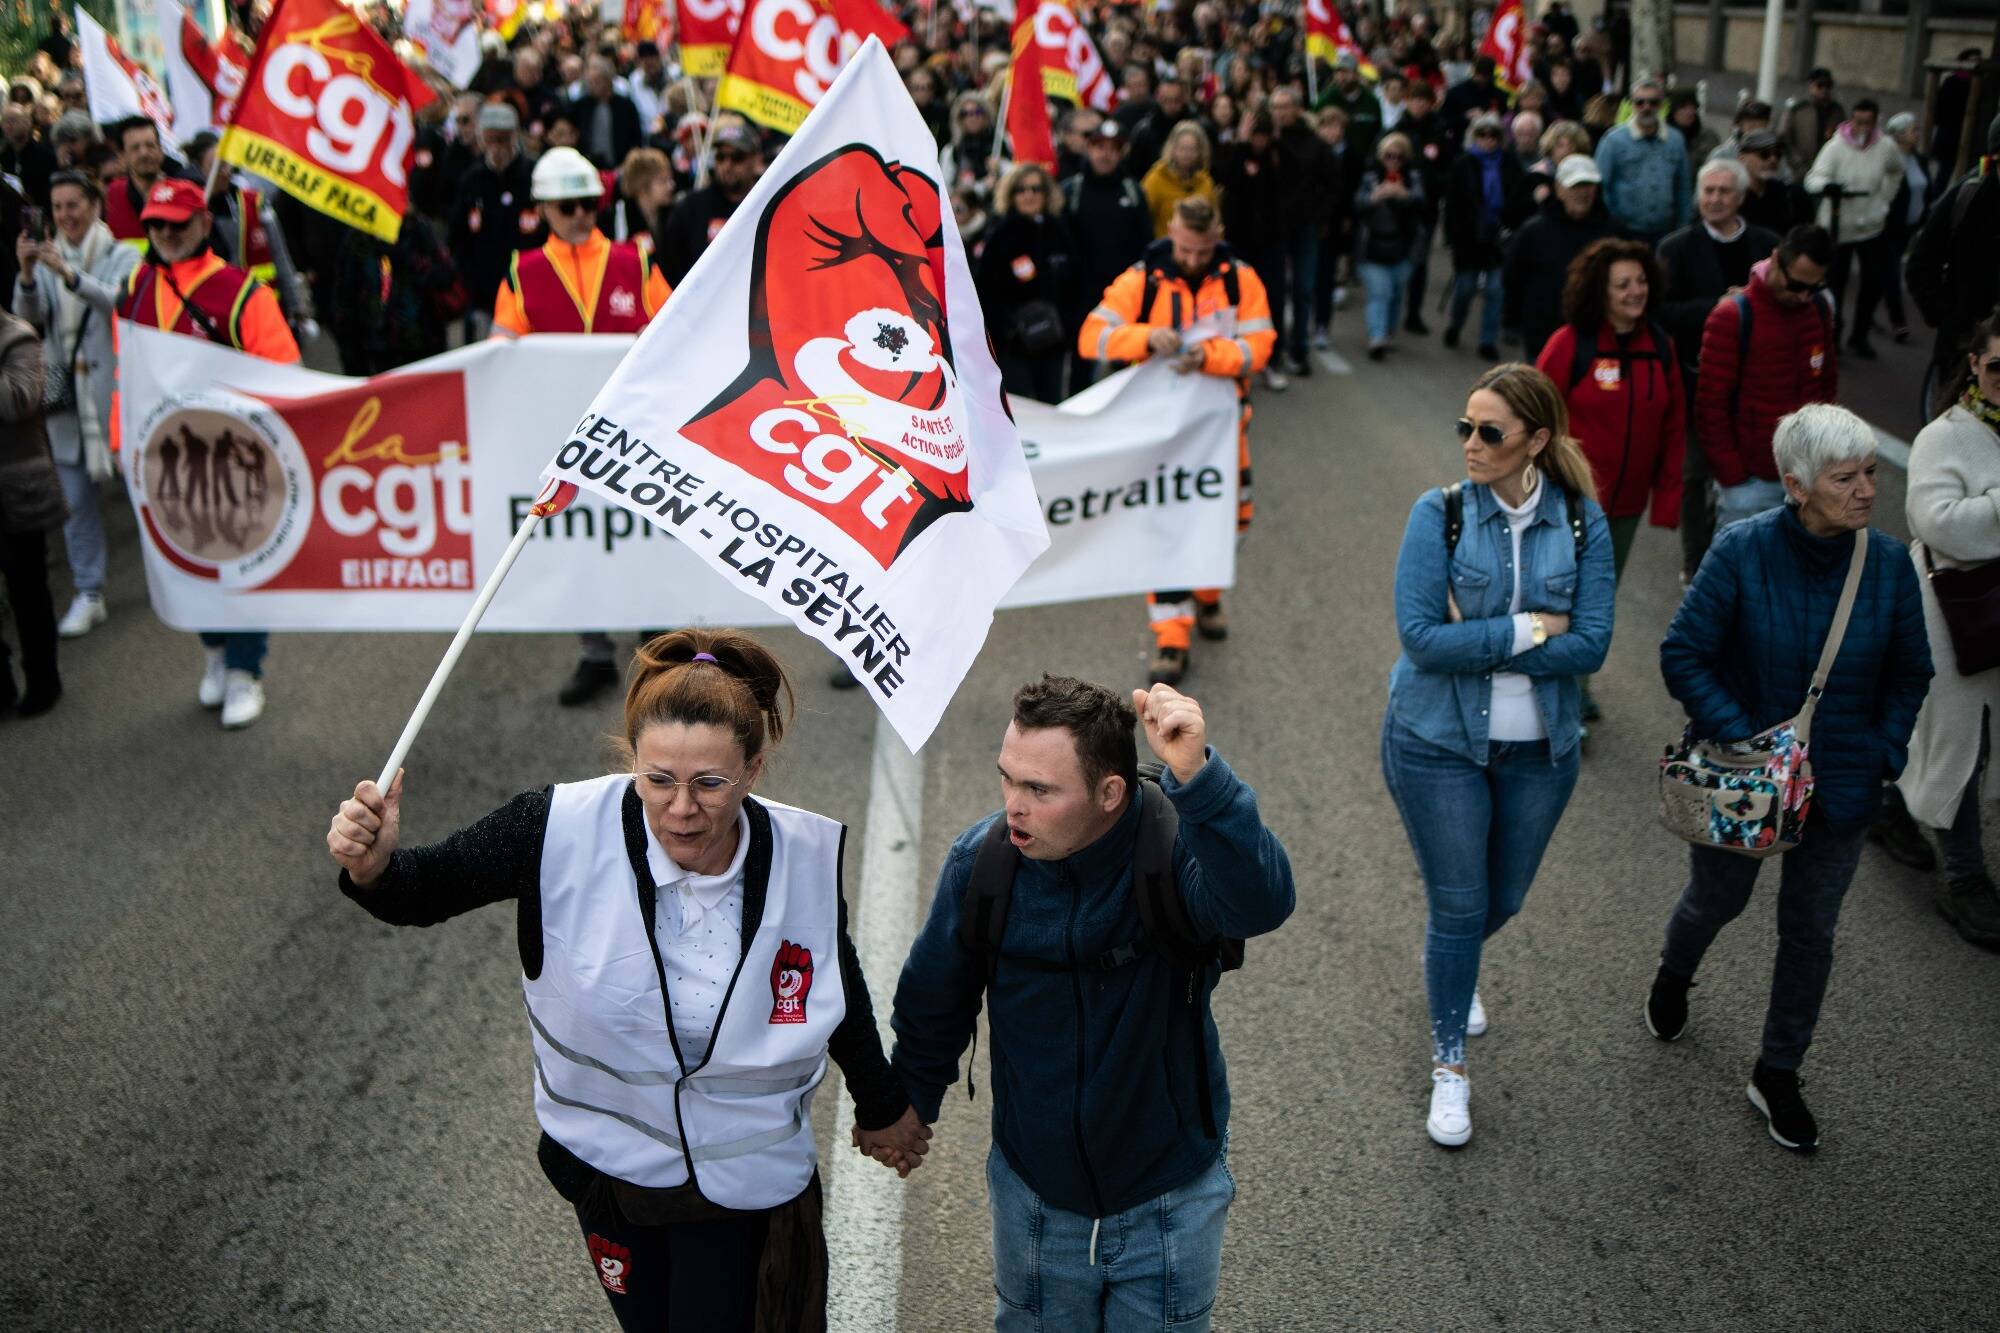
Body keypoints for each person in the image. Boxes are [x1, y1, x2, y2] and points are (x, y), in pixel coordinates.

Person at [327, 631, 928, 1329]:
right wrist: (373, 865)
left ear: (753, 770)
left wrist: (879, 1100)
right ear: (631, 760)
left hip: (745, 1184)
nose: (681, 808)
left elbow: (829, 973)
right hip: (608, 1176)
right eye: (658, 779)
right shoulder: (550, 827)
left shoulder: (801, 855)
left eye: (710, 783)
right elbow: (422, 889)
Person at [887, 675, 1295, 1332]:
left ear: (1110, 793)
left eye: (1040, 790)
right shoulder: (982, 866)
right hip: (1034, 1202)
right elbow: (935, 999)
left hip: (1169, 1199)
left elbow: (1262, 902)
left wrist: (1201, 780)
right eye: (1007, 779)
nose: (1013, 807)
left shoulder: (1175, 851)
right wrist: (907, 1105)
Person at [1647, 403, 1932, 1152]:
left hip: (1842, 786)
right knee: (1717, 899)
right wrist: (1742, 735)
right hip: (1744, 782)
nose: (1867, 490)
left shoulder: (1888, 565)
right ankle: (1675, 971)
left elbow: (1911, 672)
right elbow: (1684, 654)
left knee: (1810, 932)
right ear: (1796, 486)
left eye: (1870, 472)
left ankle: (1777, 1072)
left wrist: (1884, 754)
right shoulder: (1741, 550)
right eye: (1846, 478)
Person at [1383, 363, 1615, 1147]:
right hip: (1436, 740)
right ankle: (1449, 1065)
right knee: (1459, 905)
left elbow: (1594, 643)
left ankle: (1451, 963)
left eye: (1489, 431)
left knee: (1502, 898)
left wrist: (1475, 639)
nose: (1470, 443)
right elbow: (1421, 639)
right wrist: (1531, 627)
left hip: (1541, 747)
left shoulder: (1581, 521)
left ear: (1536, 440)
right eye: (1465, 426)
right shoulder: (1440, 513)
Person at [493, 145, 672, 707]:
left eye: (588, 204)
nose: (579, 215)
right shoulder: (522, 273)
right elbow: (501, 354)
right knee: (579, 543)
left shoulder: (634, 262)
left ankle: (655, 643)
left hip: (634, 436)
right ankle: (595, 653)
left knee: (640, 535)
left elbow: (669, 329)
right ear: (543, 209)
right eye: (567, 206)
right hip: (562, 439)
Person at [117, 177, 299, 729]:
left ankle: (245, 669)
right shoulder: (138, 286)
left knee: (236, 562)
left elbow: (284, 371)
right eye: (155, 224)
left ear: (202, 223)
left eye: (176, 224)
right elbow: (129, 373)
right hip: (164, 457)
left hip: (232, 456)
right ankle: (215, 652)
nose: (165, 233)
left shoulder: (240, 292)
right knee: (189, 560)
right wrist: (121, 439)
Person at [1077, 196, 1274, 686]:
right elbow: (1092, 337)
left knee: (1233, 520)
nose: (1191, 258)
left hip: (1222, 433)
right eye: (1184, 249)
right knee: (1164, 527)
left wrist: (1208, 356)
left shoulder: (1240, 279)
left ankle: (1207, 596)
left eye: (1201, 250)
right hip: (1159, 438)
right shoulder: (1142, 278)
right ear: (1171, 231)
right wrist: (1147, 337)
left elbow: (1260, 347)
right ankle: (1172, 637)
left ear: (1218, 236)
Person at [1896, 314, 2000, 946]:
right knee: (1962, 742)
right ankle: (1964, 879)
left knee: (1935, 733)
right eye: (1998, 366)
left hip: (1991, 611)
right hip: (1952, 612)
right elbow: (1938, 523)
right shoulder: (1944, 436)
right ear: (1974, 365)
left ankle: (1887, 806)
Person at [12, 170, 138, 639]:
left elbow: (121, 304)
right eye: (58, 207)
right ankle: (89, 592)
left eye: (74, 205)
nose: (66, 215)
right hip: (65, 402)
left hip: (116, 398)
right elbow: (27, 321)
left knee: (142, 494)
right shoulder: (44, 261)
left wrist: (71, 277)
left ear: (94, 206)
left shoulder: (121, 254)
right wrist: (28, 274)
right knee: (77, 505)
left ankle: (174, 573)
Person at [1657, 159, 1778, 580]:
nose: (1714, 199)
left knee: (1750, 474)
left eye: (1724, 191)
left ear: (1741, 197)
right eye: (1707, 191)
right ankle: (1695, 560)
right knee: (1694, 475)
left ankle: (1738, 554)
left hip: (1753, 385)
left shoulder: (1767, 245)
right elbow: (1663, 312)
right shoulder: (1675, 248)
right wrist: (1718, 306)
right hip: (1696, 380)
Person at [1695, 224, 1838, 533]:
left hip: (1804, 476)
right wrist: (1733, 477)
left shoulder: (1818, 309)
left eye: (1814, 287)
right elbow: (1711, 405)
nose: (1803, 296)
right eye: (1796, 285)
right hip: (1749, 484)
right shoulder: (1731, 316)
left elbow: (1826, 384)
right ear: (1775, 260)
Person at [1906, 113, 2000, 414]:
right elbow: (1921, 265)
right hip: (1964, 345)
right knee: (1956, 424)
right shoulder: (1967, 198)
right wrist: (1949, 320)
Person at [0, 306, 65, 716]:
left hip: (19, 490)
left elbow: (19, 400)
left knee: (28, 593)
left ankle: (43, 681)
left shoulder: (16, 336)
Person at [1803, 99, 1902, 358]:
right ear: (1851, 120)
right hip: (1839, 227)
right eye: (1858, 122)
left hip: (1870, 226)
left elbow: (1895, 171)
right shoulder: (1835, 147)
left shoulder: (1886, 146)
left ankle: (1860, 335)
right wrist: (1827, 187)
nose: (1862, 128)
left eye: (1867, 123)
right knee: (1835, 283)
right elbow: (1814, 178)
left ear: (1876, 122)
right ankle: (1833, 335)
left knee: (1872, 283)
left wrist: (1884, 200)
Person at [976, 162, 1081, 404]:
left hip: (1054, 345)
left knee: (1052, 406)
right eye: (1021, 190)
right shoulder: (999, 235)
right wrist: (1007, 332)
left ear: (1046, 193)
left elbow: (1076, 283)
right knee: (1021, 409)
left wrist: (1067, 327)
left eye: (1036, 189)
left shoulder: (1060, 232)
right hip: (1015, 349)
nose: (1029, 195)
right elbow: (986, 292)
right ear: (1011, 195)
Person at [1061, 119, 1153, 393]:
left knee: (1123, 361)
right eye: (1100, 147)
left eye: (1113, 149)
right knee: (1081, 360)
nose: (1106, 154)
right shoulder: (1072, 190)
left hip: (1123, 293)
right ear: (1089, 149)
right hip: (1082, 292)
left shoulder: (1133, 192)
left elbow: (1145, 242)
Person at [1503, 153, 1622, 363]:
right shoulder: (1534, 231)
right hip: (1543, 336)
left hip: (1597, 336)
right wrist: (1512, 321)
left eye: (1588, 185)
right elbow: (1513, 278)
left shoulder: (1612, 233)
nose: (1582, 192)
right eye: (1575, 185)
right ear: (1559, 189)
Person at [448, 102, 543, 338]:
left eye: (503, 140)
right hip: (483, 293)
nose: (497, 148)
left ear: (514, 137)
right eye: (490, 140)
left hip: (527, 289)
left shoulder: (534, 175)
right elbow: (458, 235)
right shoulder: (472, 180)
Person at [1441, 115, 1521, 361]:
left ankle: (1487, 340)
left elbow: (1518, 196)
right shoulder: (1463, 163)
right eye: (1482, 135)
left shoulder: (1509, 163)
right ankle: (1456, 324)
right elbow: (1452, 203)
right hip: (1469, 237)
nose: (1488, 140)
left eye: (1493, 135)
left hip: (1499, 237)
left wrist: (1508, 224)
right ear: (1474, 137)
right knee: (1465, 288)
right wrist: (1451, 236)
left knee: (1495, 290)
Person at [1270, 87, 1336, 380]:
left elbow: (1331, 184)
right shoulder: (1267, 141)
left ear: (1297, 109)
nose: (1281, 112)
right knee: (1274, 291)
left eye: (1286, 106)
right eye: (1276, 107)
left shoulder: (1316, 145)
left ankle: (1299, 348)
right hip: (1273, 228)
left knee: (1302, 289)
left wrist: (1319, 214)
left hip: (1305, 226)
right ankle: (1274, 349)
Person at [656, 123, 764, 288]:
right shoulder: (690, 208)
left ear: (756, 160)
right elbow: (669, 268)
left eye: (737, 157)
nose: (727, 165)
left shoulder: (767, 205)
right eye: (721, 157)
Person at [1352, 131, 1427, 362]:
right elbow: (1357, 204)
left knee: (1395, 293)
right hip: (1372, 247)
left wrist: (1404, 195)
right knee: (1380, 293)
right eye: (1388, 156)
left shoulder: (1412, 178)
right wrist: (1374, 197)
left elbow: (1423, 204)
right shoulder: (1370, 178)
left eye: (1399, 157)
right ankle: (1377, 337)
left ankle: (1388, 331)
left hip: (1402, 248)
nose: (1393, 161)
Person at [1591, 77, 1690, 245]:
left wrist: (1683, 228)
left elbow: (1683, 187)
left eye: (1653, 102)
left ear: (1661, 105)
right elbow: (1601, 186)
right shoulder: (1613, 140)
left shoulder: (1675, 140)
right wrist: (1610, 226)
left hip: (1665, 233)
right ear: (1631, 105)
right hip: (1625, 232)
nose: (1646, 107)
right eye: (1640, 102)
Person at [1879, 112, 1936, 346]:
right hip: (1890, 225)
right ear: (1899, 135)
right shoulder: (1890, 161)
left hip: (1910, 226)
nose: (1917, 134)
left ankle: (1867, 314)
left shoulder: (1919, 160)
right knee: (1892, 271)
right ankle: (1898, 321)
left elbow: (1926, 189)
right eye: (1913, 130)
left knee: (1883, 274)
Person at [99, 117, 190, 247]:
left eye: (150, 146)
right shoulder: (114, 195)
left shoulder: (182, 192)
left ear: (161, 151)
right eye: (135, 148)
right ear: (122, 157)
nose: (144, 153)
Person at [1140, 122, 1219, 238]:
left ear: (1200, 152)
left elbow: (1215, 221)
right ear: (1172, 149)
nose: (1187, 154)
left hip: (1200, 246)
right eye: (1182, 148)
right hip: (1166, 245)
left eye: (1192, 149)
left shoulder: (1206, 182)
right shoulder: (1156, 179)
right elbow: (1141, 217)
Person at [1777, 68, 1845, 181]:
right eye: (1820, 85)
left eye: (1828, 86)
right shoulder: (1798, 110)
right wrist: (1796, 161)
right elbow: (1784, 137)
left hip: (1827, 169)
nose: (1824, 90)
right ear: (1811, 85)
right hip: (1800, 168)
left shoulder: (1837, 111)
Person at [601, 146, 674, 247]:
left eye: (670, 179)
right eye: (662, 181)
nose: (671, 186)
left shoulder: (672, 214)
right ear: (642, 186)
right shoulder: (617, 216)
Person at [1736, 128, 1803, 236]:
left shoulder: (1786, 194)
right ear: (1742, 158)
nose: (1773, 160)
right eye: (1764, 154)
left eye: (1778, 155)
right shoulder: (1732, 195)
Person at [1667, 89, 1720, 166]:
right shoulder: (1662, 136)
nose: (1689, 112)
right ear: (1673, 111)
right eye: (1683, 107)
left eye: (1693, 107)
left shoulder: (1708, 137)